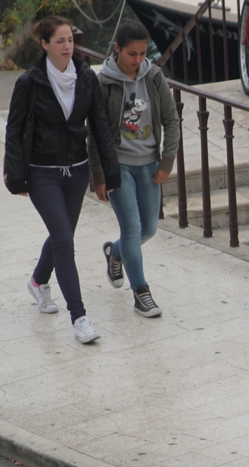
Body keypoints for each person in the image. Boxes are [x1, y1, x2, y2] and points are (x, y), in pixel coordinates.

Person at [4, 16, 120, 344]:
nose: (67, 46)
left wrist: (109, 172)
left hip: (78, 171)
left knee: (62, 235)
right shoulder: (30, 82)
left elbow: (100, 126)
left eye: (70, 40)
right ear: (44, 44)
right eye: (60, 41)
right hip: (42, 173)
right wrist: (17, 177)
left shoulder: (86, 78)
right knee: (65, 243)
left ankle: (38, 281)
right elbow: (14, 131)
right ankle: (79, 318)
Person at [89, 20, 180, 317]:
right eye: (132, 54)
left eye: (142, 54)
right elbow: (95, 131)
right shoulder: (104, 82)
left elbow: (171, 120)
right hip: (119, 167)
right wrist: (99, 174)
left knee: (149, 229)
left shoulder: (153, 76)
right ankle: (141, 293)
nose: (138, 60)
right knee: (131, 229)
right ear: (117, 49)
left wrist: (167, 160)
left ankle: (115, 252)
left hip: (149, 164)